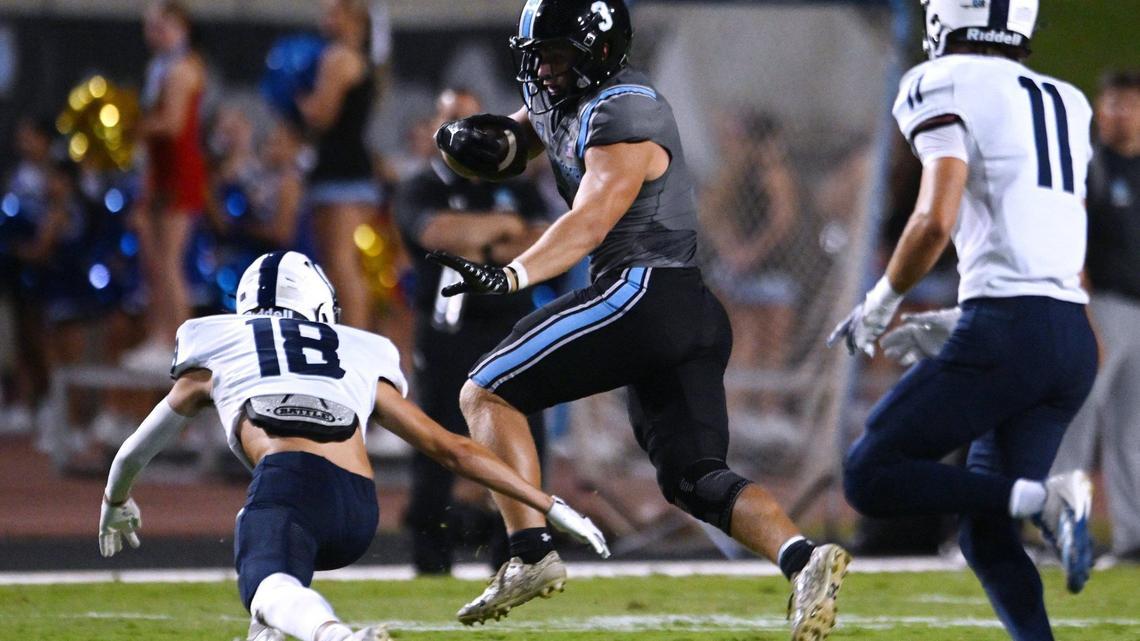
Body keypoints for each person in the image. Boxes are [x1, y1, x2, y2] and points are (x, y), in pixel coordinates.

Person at [427, 1, 849, 637]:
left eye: (557, 56)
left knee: (485, 390)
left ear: (598, 52)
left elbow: (590, 221)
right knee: (694, 478)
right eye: (537, 56)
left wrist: (514, 274)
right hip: (680, 305)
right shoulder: (569, 96)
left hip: (641, 290)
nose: (544, 69)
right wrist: (469, 145)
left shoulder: (625, 110)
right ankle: (803, 559)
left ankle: (529, 553)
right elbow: (515, 142)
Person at [97, 250, 608, 641]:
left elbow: (137, 448)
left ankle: (337, 637)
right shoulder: (359, 349)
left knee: (267, 587)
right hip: (359, 511)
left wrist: (116, 500)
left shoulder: (218, 342)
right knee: (272, 596)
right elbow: (450, 447)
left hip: (289, 486)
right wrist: (546, 503)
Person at [829, 1, 1097, 639]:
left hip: (1010, 332)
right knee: (984, 533)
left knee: (870, 474)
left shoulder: (942, 80)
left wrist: (880, 301)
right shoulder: (1068, 100)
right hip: (1067, 336)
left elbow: (933, 219)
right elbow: (1037, 226)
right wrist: (961, 316)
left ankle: (1047, 500)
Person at [396, 87, 552, 575]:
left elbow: (543, 240)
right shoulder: (420, 186)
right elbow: (436, 234)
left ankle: (519, 553)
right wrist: (502, 228)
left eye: (472, 120)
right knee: (436, 440)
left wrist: (480, 240)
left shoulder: (518, 186)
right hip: (448, 332)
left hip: (512, 331)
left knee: (523, 439)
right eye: (452, 119)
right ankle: (430, 559)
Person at [1051, 70, 1140, 563]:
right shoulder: (1087, 166)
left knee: (1133, 431)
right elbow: (1069, 239)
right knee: (1078, 422)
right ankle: (1061, 529)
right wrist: (1082, 312)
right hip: (1100, 305)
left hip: (1137, 312)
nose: (1117, 114)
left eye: (1127, 104)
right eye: (1111, 104)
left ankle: (1133, 537)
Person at [123, 0, 209, 371]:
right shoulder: (160, 67)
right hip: (162, 170)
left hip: (179, 170)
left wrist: (129, 127)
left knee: (170, 261)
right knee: (157, 261)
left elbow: (172, 124)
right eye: (150, 27)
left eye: (161, 27)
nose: (153, 35)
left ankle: (179, 341)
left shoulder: (181, 69)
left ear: (181, 28)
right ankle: (160, 335)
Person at [297, 0, 381, 329]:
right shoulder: (359, 57)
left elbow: (322, 115)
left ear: (352, 18)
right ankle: (350, 336)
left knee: (340, 265)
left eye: (332, 12)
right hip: (348, 171)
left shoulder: (338, 58)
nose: (325, 19)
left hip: (340, 174)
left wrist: (295, 98)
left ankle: (354, 341)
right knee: (340, 265)